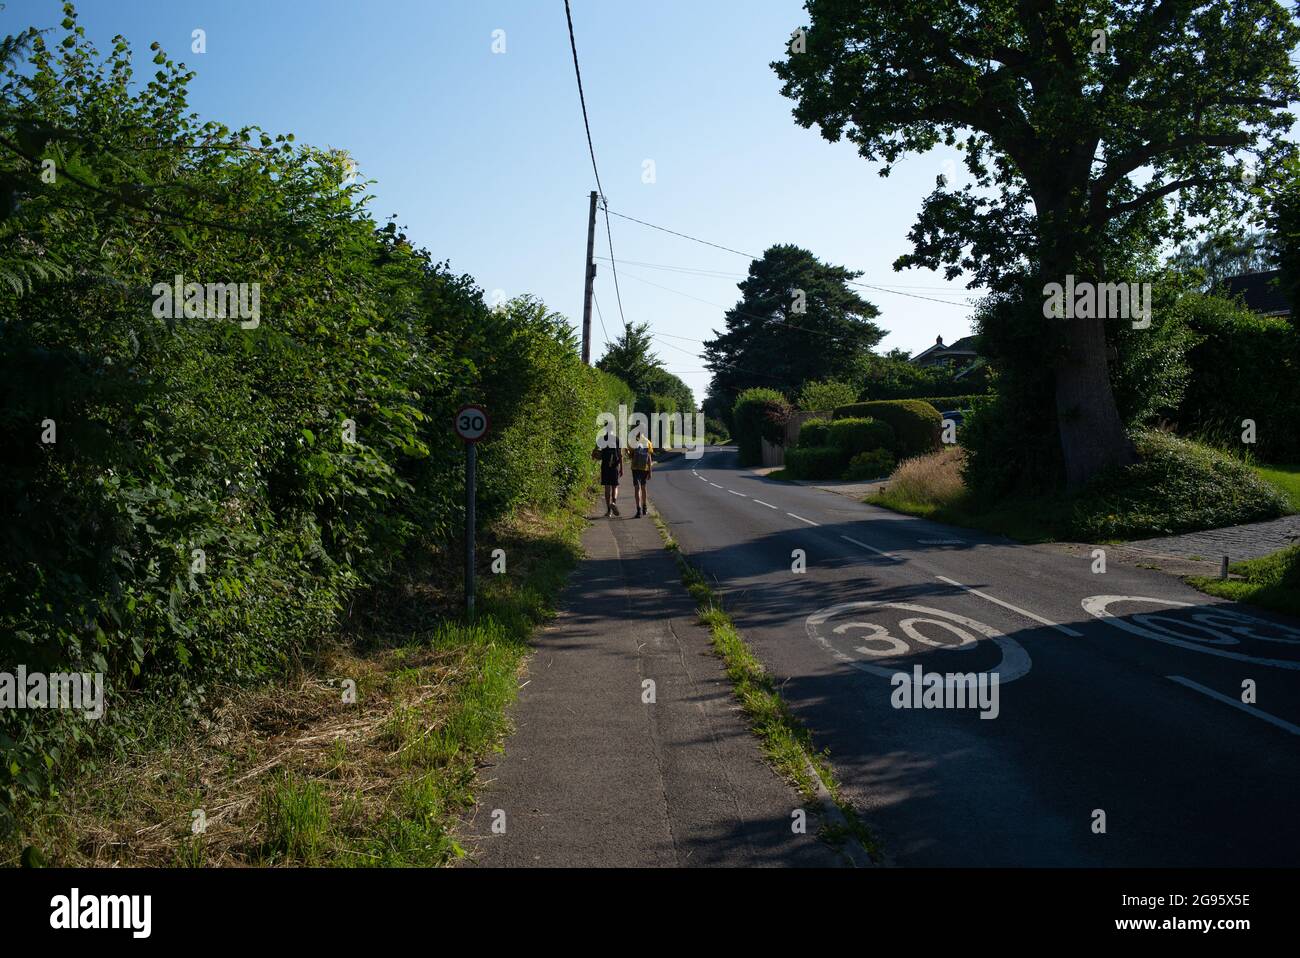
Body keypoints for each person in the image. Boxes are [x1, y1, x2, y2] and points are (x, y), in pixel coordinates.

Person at [594, 426, 623, 516]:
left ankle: (609, 511)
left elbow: (595, 452)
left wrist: (598, 456)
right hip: (614, 466)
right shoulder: (617, 439)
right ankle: (613, 502)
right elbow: (620, 455)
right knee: (615, 486)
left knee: (607, 488)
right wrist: (621, 468)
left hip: (605, 466)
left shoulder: (601, 439)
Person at [627, 427, 654, 518]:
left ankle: (638, 510)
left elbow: (630, 456)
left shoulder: (633, 442)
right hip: (645, 469)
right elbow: (649, 458)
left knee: (637, 488)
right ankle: (645, 508)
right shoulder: (648, 442)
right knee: (643, 487)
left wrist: (629, 453)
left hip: (635, 468)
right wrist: (650, 471)